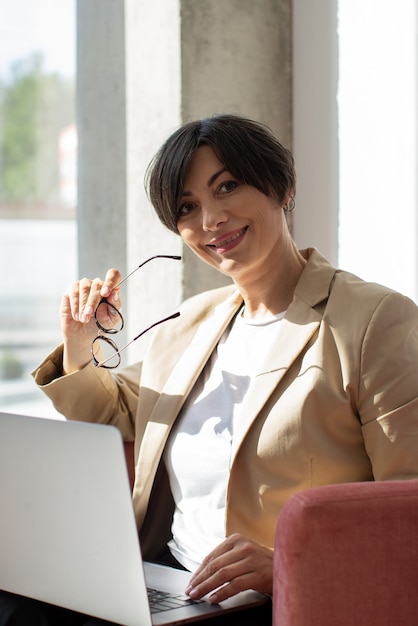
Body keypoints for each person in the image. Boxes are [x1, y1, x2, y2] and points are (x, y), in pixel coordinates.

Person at [2, 114, 418, 625]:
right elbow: (115, 415)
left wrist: (288, 565)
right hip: (168, 580)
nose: (210, 220)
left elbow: (407, 504)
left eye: (228, 187)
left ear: (282, 187)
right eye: (187, 207)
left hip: (275, 601)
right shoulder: (193, 323)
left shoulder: (373, 320)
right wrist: (79, 343)